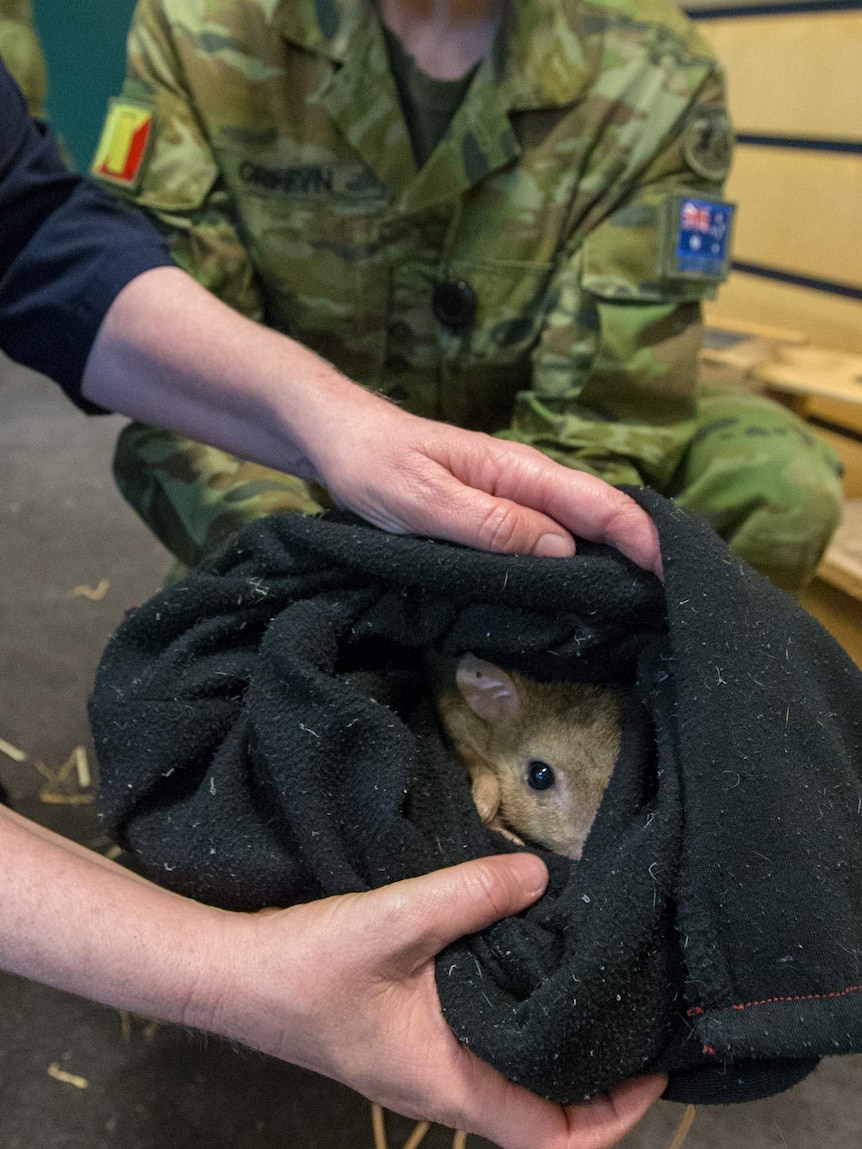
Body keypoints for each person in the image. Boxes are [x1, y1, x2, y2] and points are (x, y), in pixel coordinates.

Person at [1, 61, 668, 1148]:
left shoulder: (640, 62)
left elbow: (31, 231)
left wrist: (326, 419)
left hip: (438, 434)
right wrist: (222, 977)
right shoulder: (211, 33)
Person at [91, 0, 843, 594]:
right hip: (295, 453)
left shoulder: (656, 68)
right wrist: (336, 567)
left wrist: (489, 585)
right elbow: (187, 375)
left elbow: (609, 414)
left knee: (777, 486)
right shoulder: (205, 28)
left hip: (539, 462)